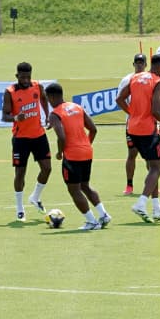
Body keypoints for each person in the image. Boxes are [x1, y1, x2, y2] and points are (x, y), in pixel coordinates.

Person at [116, 52, 160, 222]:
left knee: (152, 168)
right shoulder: (158, 82)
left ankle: (156, 209)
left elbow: (119, 99)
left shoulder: (136, 77)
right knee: (157, 168)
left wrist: (133, 113)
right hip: (148, 130)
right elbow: (156, 110)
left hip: (132, 128)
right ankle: (141, 203)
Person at [45, 82, 110, 230]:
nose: (48, 102)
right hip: (87, 151)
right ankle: (104, 215)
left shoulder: (55, 114)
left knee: (74, 189)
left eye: (48, 99)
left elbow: (62, 138)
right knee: (85, 186)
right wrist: (86, 145)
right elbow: (93, 129)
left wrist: (60, 152)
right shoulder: (76, 107)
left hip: (72, 156)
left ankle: (92, 221)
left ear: (52, 97)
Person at [1, 62, 52, 221]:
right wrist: (16, 117)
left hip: (38, 135)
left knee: (47, 168)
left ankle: (35, 197)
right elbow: (4, 115)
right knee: (20, 173)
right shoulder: (10, 92)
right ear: (17, 76)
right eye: (23, 77)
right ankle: (20, 208)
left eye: (28, 77)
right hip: (20, 138)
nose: (26, 80)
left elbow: (44, 99)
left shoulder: (37, 86)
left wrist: (47, 115)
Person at [120, 52, 148, 195]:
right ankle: (129, 185)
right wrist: (132, 113)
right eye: (137, 62)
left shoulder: (150, 80)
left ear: (145, 64)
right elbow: (120, 99)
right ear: (133, 64)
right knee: (132, 153)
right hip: (132, 125)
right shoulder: (127, 80)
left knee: (152, 156)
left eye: (141, 62)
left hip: (149, 124)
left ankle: (153, 185)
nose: (139, 65)